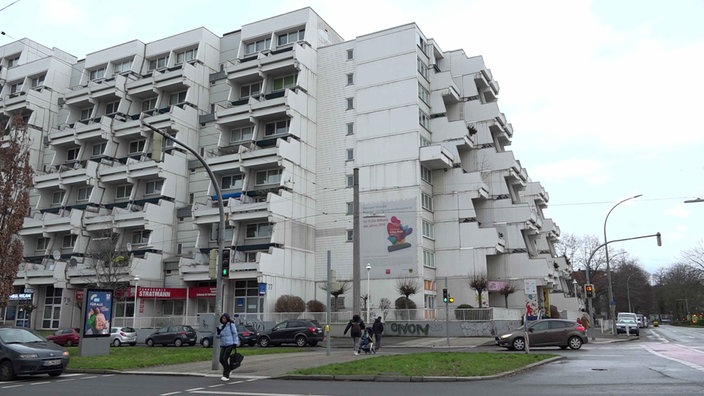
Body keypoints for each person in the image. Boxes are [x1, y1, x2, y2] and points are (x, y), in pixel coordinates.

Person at [216, 313, 240, 381]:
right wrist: (218, 332)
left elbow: (235, 333)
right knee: (221, 359)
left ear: (227, 318)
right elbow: (217, 336)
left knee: (224, 358)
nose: (223, 319)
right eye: (222, 318)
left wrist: (235, 343)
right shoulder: (221, 326)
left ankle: (226, 375)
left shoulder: (231, 325)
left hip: (230, 344)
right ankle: (228, 369)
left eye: (224, 318)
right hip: (223, 344)